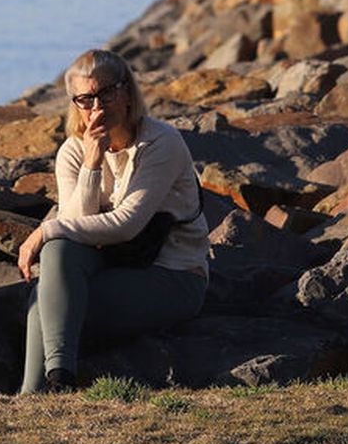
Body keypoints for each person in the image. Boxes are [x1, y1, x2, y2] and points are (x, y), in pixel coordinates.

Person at [15, 49, 208, 393]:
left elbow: (127, 224)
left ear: (127, 92)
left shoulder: (161, 142)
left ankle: (43, 392)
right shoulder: (73, 152)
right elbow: (74, 229)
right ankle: (54, 385)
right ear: (74, 104)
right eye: (85, 99)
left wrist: (44, 229)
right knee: (57, 255)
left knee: (46, 307)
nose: (97, 107)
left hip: (172, 274)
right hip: (108, 263)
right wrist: (92, 162)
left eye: (106, 92)